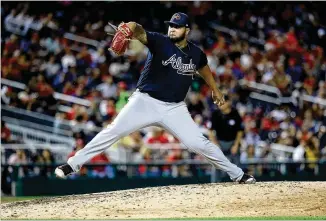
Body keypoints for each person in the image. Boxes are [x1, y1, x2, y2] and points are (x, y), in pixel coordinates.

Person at [55, 12, 256, 184]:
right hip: (144, 101)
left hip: (174, 108)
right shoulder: (160, 42)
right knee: (113, 131)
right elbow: (138, 30)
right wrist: (128, 28)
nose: (172, 30)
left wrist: (215, 89)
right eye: (171, 26)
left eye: (177, 27)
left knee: (199, 144)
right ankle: (73, 164)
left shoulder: (196, 53)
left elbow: (203, 67)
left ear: (187, 30)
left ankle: (237, 175)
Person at [209, 95, 244, 165]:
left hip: (233, 143)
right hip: (220, 143)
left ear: (228, 102)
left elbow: (240, 131)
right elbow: (211, 131)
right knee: (218, 167)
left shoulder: (235, 113)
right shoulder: (215, 114)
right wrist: (215, 144)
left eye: (221, 102)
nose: (219, 104)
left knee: (236, 167)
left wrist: (236, 145)